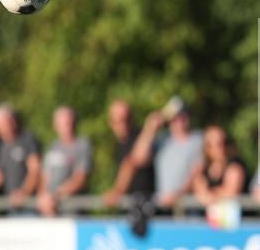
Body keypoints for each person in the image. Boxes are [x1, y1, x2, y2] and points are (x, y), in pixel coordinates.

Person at [131, 96, 203, 211]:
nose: (179, 120)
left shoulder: (199, 140)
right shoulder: (162, 140)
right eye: (175, 117)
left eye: (183, 115)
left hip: (190, 206)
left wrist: (178, 195)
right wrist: (149, 128)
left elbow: (198, 172)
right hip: (164, 207)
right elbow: (138, 159)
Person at [0, 104, 41, 214]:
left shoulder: (28, 139)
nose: (8, 125)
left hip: (31, 205)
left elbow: (35, 170)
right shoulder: (2, 146)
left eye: (9, 120)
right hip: (12, 207)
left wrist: (24, 192)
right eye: (3, 123)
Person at [104, 99, 157, 235]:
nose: (123, 125)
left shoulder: (139, 136)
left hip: (147, 209)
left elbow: (134, 161)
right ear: (111, 122)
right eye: (118, 121)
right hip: (129, 209)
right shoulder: (118, 144)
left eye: (126, 119)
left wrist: (117, 190)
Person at [36, 106, 92, 216]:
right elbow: (44, 176)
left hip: (71, 211)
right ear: (56, 126)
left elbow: (80, 178)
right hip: (49, 211)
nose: (68, 127)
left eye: (70, 123)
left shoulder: (82, 145)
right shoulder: (52, 146)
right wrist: (43, 196)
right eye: (64, 123)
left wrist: (55, 196)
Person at [191, 125, 247, 225]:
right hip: (210, 224)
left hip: (234, 225)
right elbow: (198, 189)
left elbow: (231, 192)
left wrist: (209, 194)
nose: (221, 148)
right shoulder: (203, 169)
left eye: (223, 143)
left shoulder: (235, 166)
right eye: (215, 144)